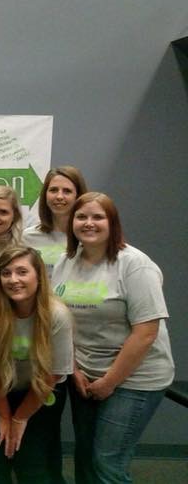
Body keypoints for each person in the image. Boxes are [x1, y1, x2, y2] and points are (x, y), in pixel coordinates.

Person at [52, 192, 174, 484]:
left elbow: (146, 332)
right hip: (86, 376)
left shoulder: (134, 264)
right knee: (84, 458)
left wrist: (110, 381)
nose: (88, 223)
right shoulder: (65, 262)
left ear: (112, 222)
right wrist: (75, 369)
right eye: (82, 217)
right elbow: (61, 321)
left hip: (133, 379)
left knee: (107, 463)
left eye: (98, 217)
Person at [0, 246, 73, 483]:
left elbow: (53, 374)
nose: (13, 280)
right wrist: (5, 416)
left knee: (32, 463)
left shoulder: (57, 314)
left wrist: (20, 418)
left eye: (22, 272)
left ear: (39, 276)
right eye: (6, 273)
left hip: (40, 392)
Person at [22, 166, 88, 275]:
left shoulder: (89, 239)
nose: (59, 196)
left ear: (78, 196)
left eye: (67, 191)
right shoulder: (27, 238)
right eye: (53, 190)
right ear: (45, 195)